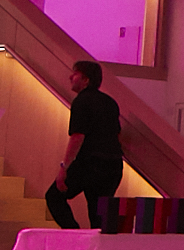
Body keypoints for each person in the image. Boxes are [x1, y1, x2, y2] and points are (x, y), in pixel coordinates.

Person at [44, 59, 124, 228]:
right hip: (114, 165)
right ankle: (100, 249)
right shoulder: (110, 102)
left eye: (76, 74)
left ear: (86, 80)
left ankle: (75, 235)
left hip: (90, 164)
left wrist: (64, 168)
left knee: (54, 196)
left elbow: (77, 137)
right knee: (99, 214)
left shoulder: (81, 102)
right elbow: (116, 132)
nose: (71, 77)